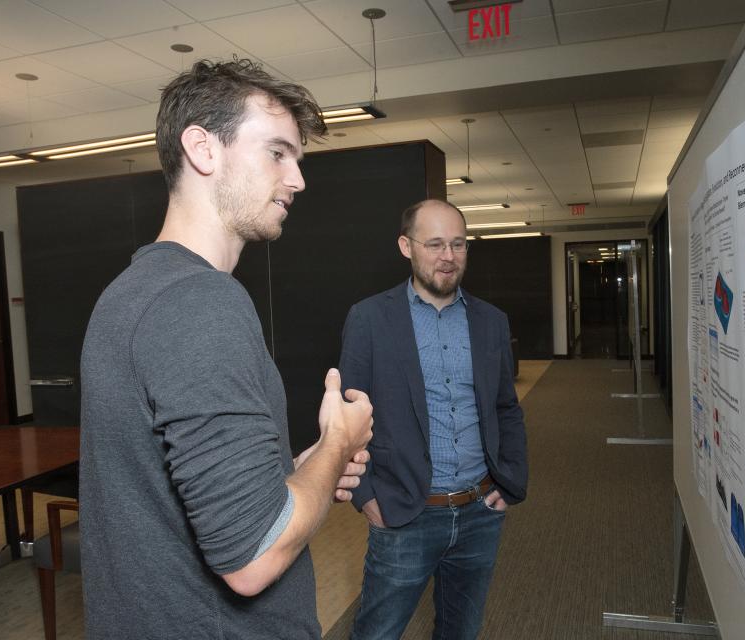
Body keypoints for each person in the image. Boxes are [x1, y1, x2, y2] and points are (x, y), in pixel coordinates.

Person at [79, 59, 373, 639]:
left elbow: (187, 500)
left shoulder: (133, 291)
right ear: (203, 149)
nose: (297, 179)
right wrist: (340, 440)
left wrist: (309, 467)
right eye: (277, 152)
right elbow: (251, 558)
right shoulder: (200, 303)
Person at [339, 199, 529, 640]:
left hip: (480, 512)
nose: (449, 256)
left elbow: (506, 407)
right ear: (406, 246)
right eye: (436, 244)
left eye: (459, 245)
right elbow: (348, 416)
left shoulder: (491, 322)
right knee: (377, 632)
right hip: (404, 514)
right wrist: (366, 497)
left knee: (461, 631)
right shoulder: (370, 319)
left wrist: (511, 480)